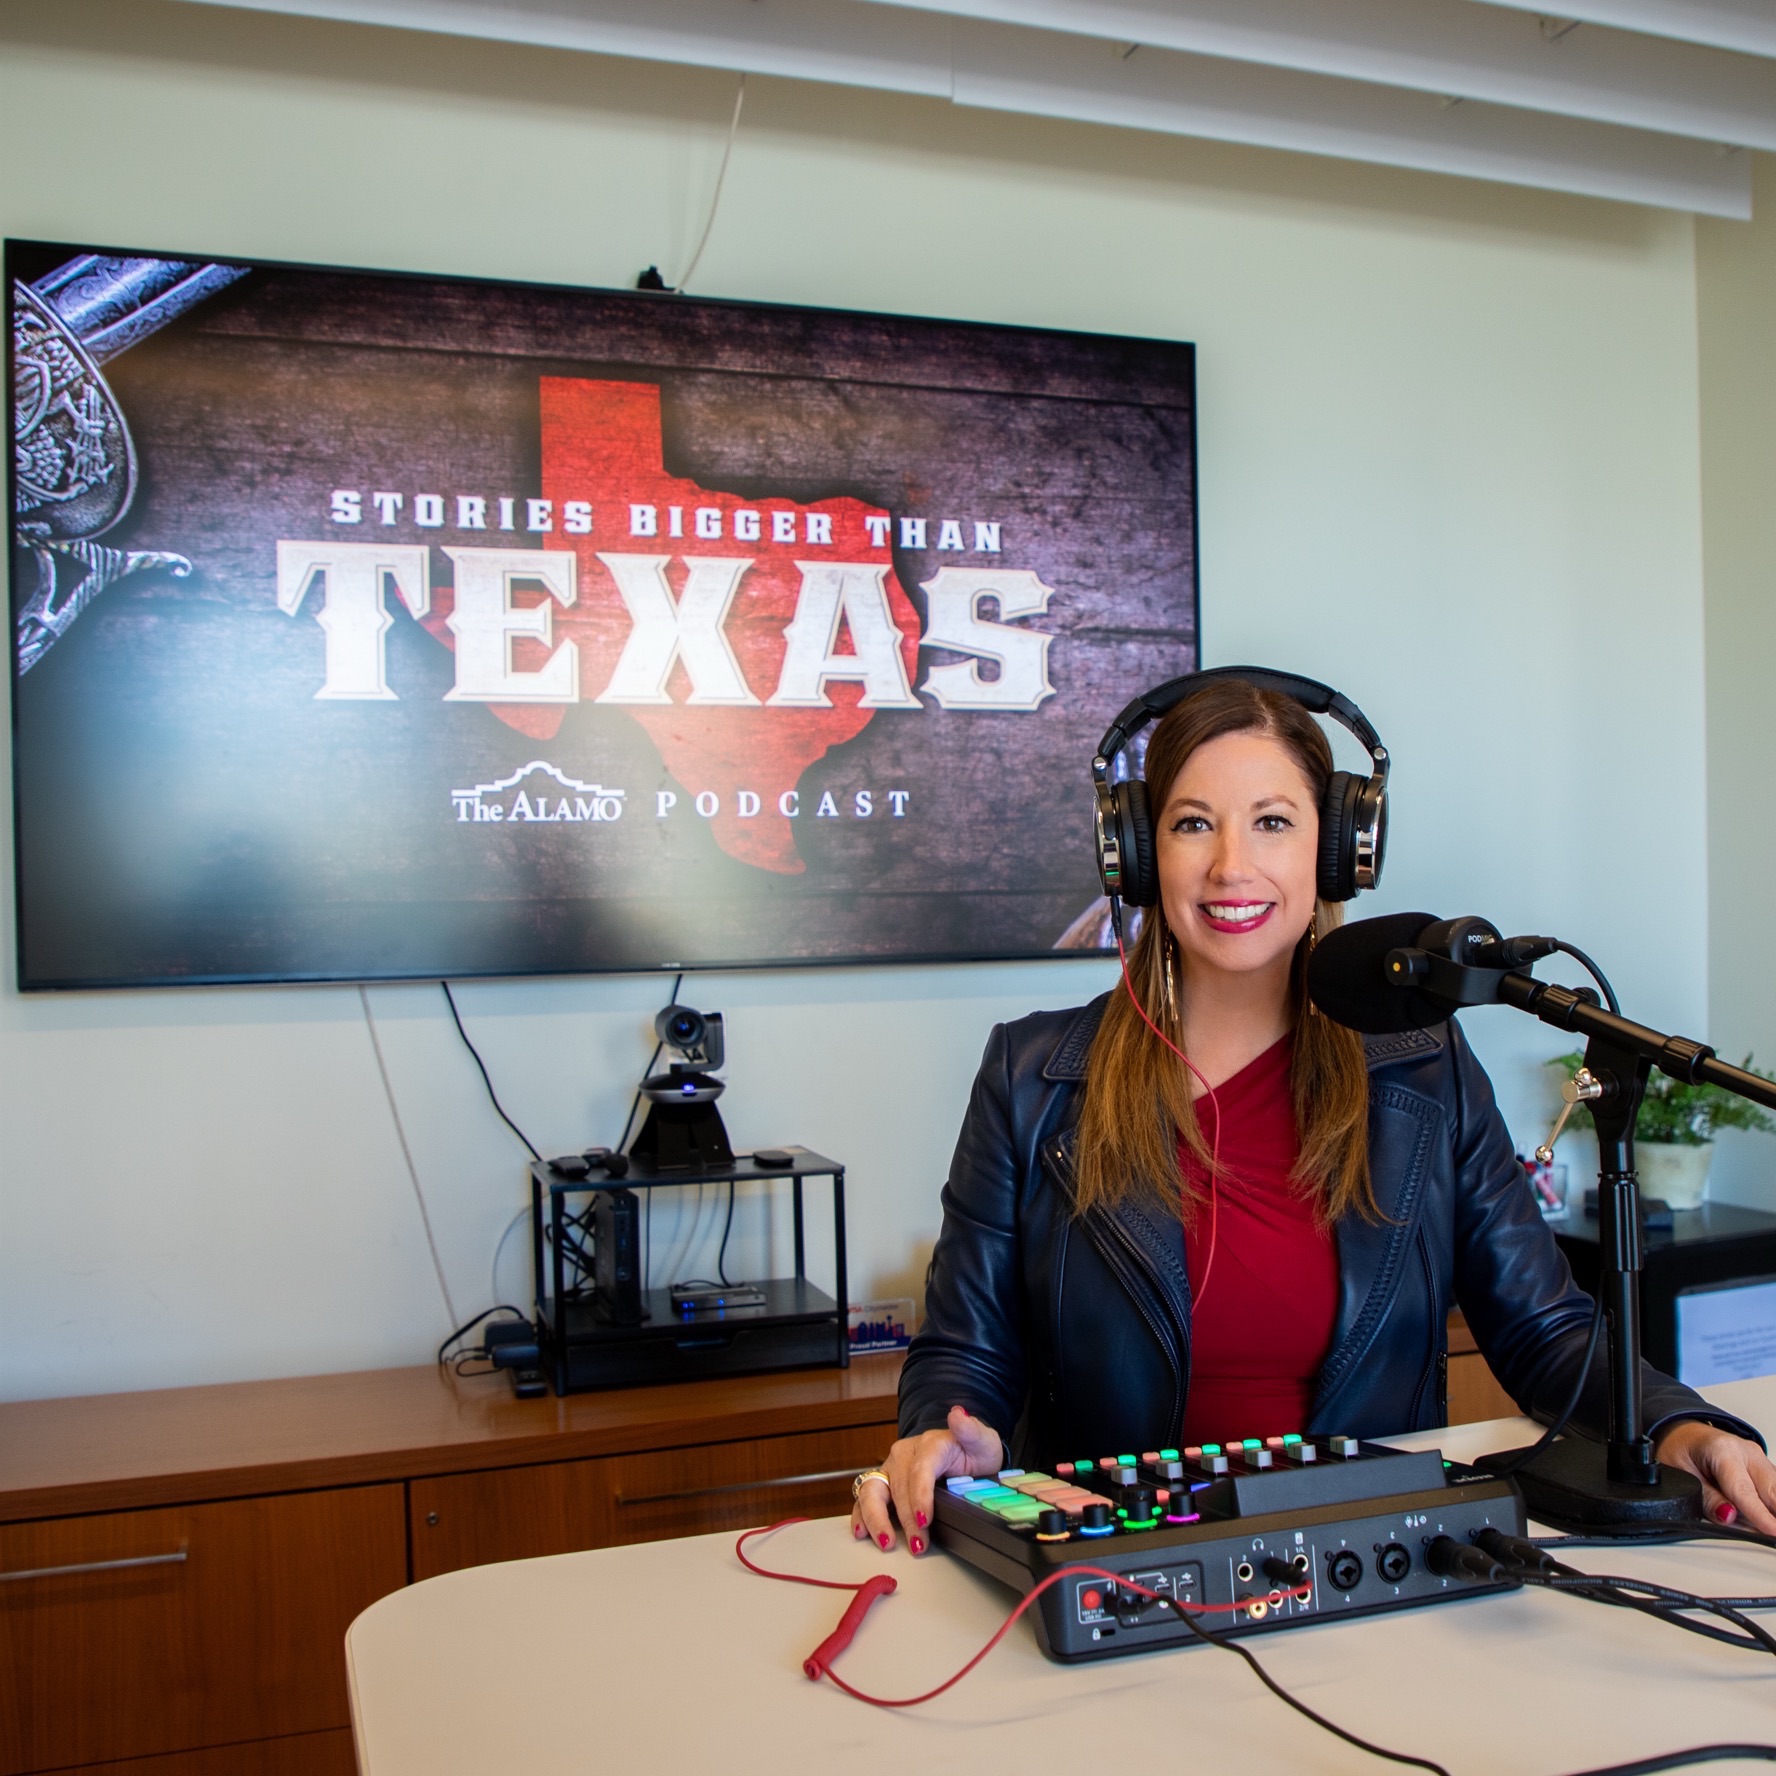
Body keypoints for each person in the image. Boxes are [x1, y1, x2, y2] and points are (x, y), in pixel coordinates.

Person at [852, 674, 1776, 1556]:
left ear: (1334, 853)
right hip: (1123, 1563)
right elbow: (964, 1352)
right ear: (1136, 854)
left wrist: (1679, 1425)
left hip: (1365, 1551)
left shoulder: (1425, 1066)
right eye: (1191, 824)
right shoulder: (1032, 1075)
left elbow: (1544, 1330)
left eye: (1272, 823)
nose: (1230, 866)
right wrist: (947, 1436)